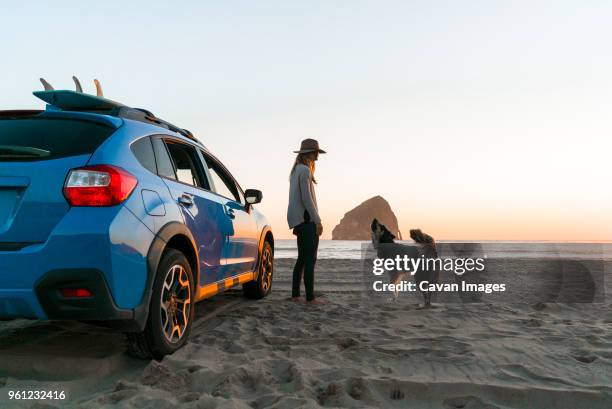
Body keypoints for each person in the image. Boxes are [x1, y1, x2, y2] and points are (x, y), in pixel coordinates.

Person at [287, 138, 326, 304]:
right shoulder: (304, 171)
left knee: (302, 258)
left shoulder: (296, 170)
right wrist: (317, 220)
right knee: (310, 259)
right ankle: (310, 298)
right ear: (311, 152)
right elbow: (307, 199)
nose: (318, 154)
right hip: (307, 220)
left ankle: (296, 294)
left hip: (299, 220)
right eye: (316, 151)